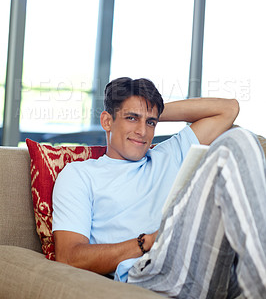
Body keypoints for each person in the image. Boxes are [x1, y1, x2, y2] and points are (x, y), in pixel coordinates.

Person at [52, 77, 266, 298]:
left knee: (243, 137)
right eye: (132, 118)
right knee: (233, 144)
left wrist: (151, 110)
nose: (142, 132)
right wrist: (149, 242)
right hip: (149, 272)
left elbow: (229, 109)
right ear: (107, 121)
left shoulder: (169, 154)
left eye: (151, 123)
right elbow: (70, 257)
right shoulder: (80, 175)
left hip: (204, 262)